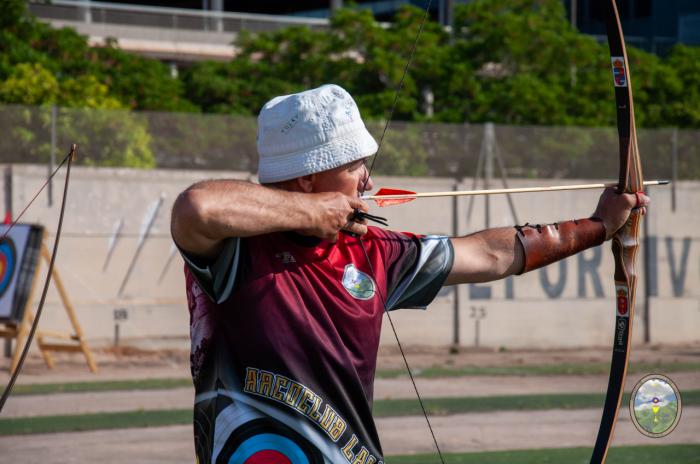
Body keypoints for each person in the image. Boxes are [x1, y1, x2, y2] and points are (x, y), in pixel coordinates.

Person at [170, 84, 648, 464]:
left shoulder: (374, 252)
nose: (369, 181)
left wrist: (598, 226)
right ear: (309, 180)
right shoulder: (234, 253)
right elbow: (196, 207)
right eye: (357, 165)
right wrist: (307, 212)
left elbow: (487, 253)